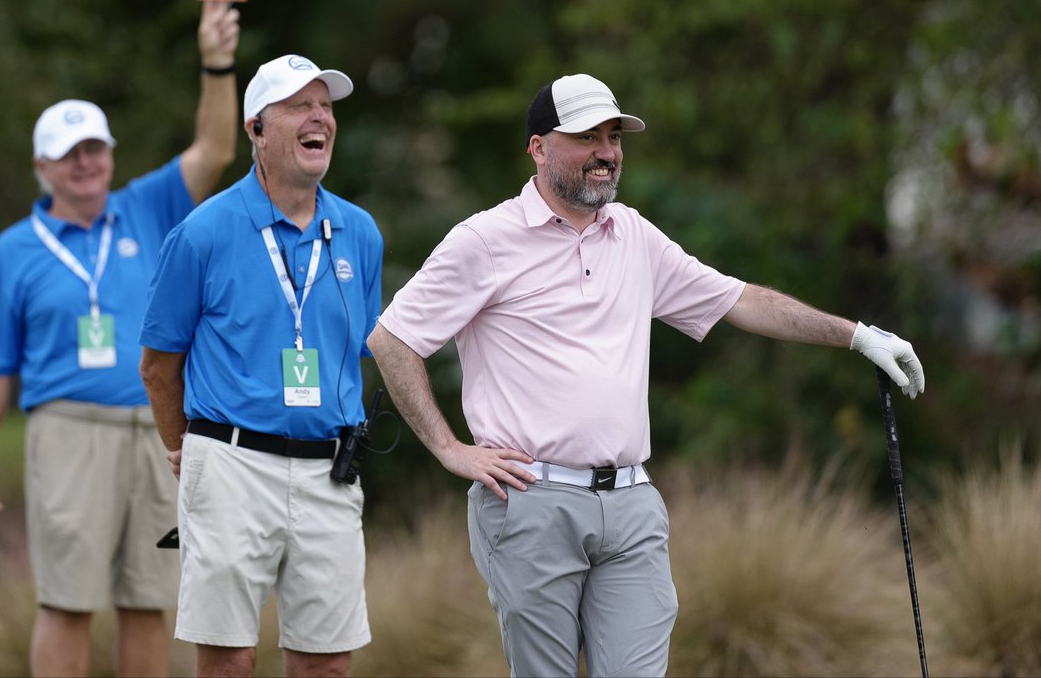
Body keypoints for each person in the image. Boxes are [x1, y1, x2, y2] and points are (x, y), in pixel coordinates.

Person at [366, 72, 927, 678]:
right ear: (538, 147)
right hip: (530, 503)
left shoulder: (633, 234)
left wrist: (857, 335)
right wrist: (450, 449)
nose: (607, 152)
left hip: (631, 505)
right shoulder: (485, 239)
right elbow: (392, 338)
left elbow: (740, 301)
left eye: (614, 136)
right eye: (586, 137)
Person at [0, 1, 241, 678]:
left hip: (157, 430)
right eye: (68, 154)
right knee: (67, 599)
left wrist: (215, 62)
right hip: (66, 432)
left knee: (148, 599)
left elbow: (217, 149)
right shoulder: (13, 250)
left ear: (110, 153)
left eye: (94, 148)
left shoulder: (148, 205)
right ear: (43, 166)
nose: (85, 163)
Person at [138, 54, 384, 678]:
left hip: (331, 469)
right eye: (300, 106)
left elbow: (359, 355)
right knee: (230, 661)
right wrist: (181, 447)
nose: (319, 117)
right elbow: (158, 366)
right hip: (230, 463)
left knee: (327, 664)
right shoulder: (202, 232)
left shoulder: (359, 232)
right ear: (256, 129)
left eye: (326, 106)